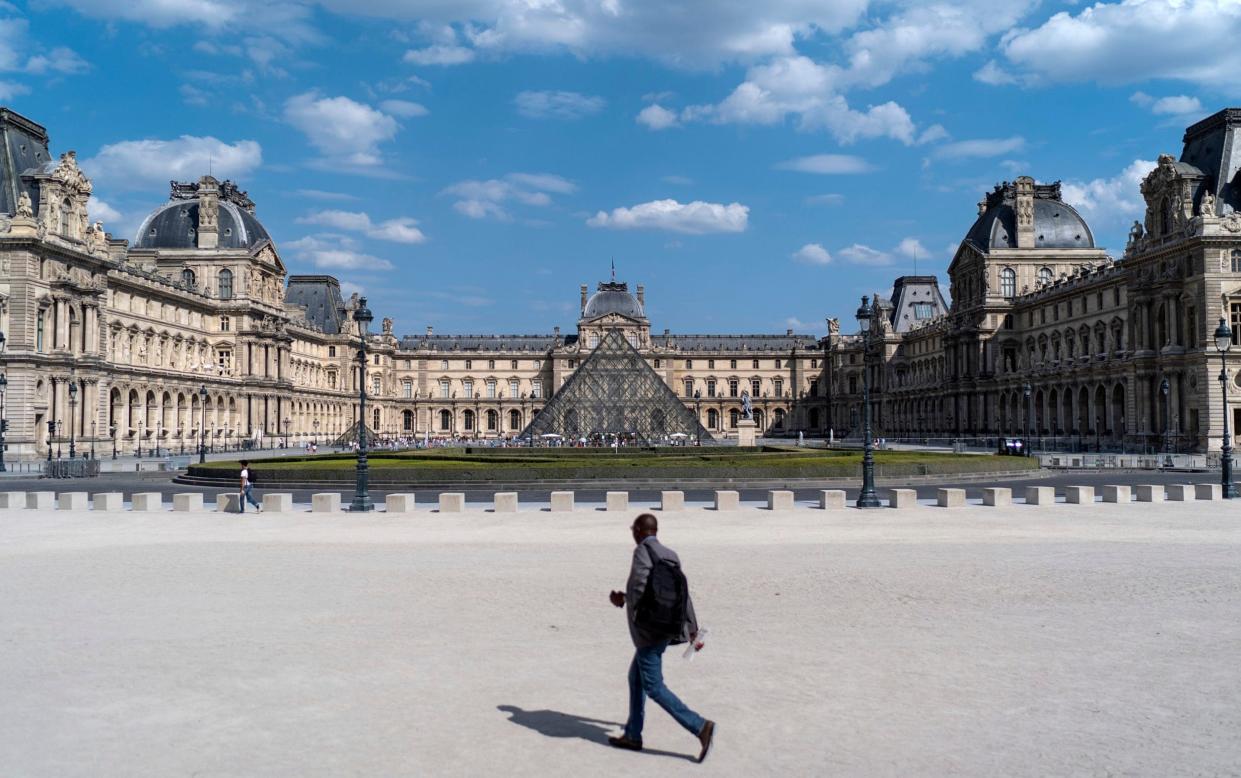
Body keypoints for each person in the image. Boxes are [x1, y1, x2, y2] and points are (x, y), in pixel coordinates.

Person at [608, 513, 714, 762]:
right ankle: (633, 735)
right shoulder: (671, 555)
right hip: (667, 628)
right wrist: (691, 631)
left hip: (649, 632)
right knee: (636, 678)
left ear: (638, 531)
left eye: (633, 530)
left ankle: (700, 727)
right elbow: (683, 595)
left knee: (654, 687)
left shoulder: (642, 552)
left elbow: (639, 588)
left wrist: (622, 599)